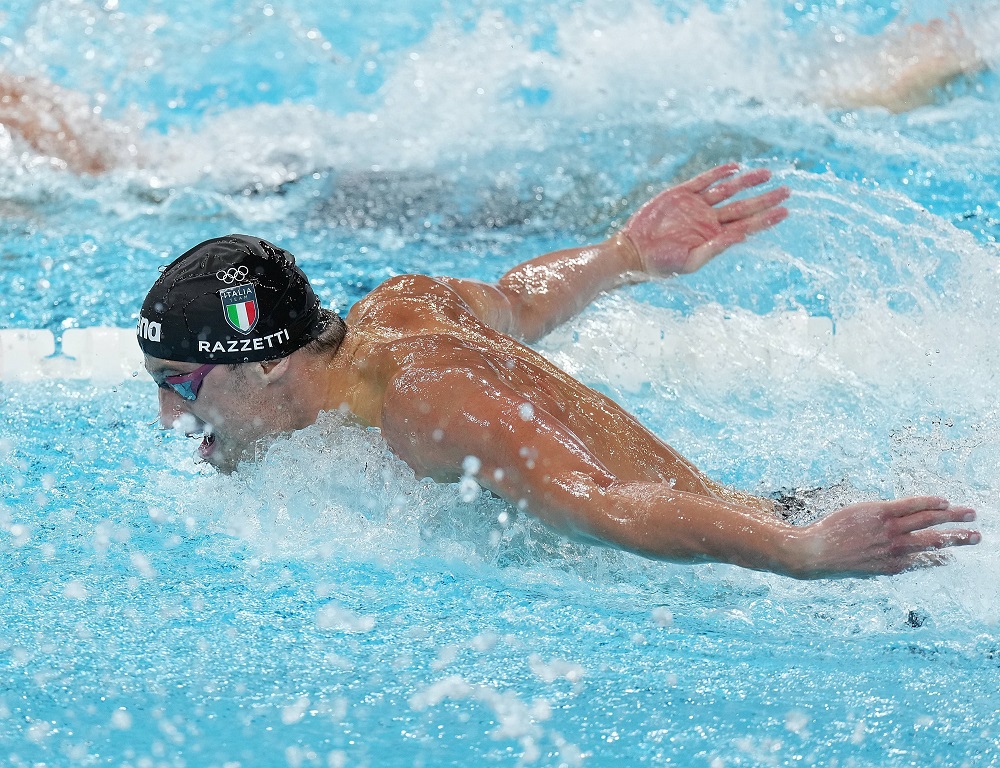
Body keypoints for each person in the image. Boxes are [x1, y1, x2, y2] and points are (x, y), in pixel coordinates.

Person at [137, 163, 980, 580]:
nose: (172, 421)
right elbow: (518, 299)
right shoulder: (400, 306)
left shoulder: (423, 402)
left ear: (274, 361)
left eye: (181, 386)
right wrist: (621, 254)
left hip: (765, 552)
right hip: (779, 510)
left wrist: (801, 552)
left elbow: (606, 507)